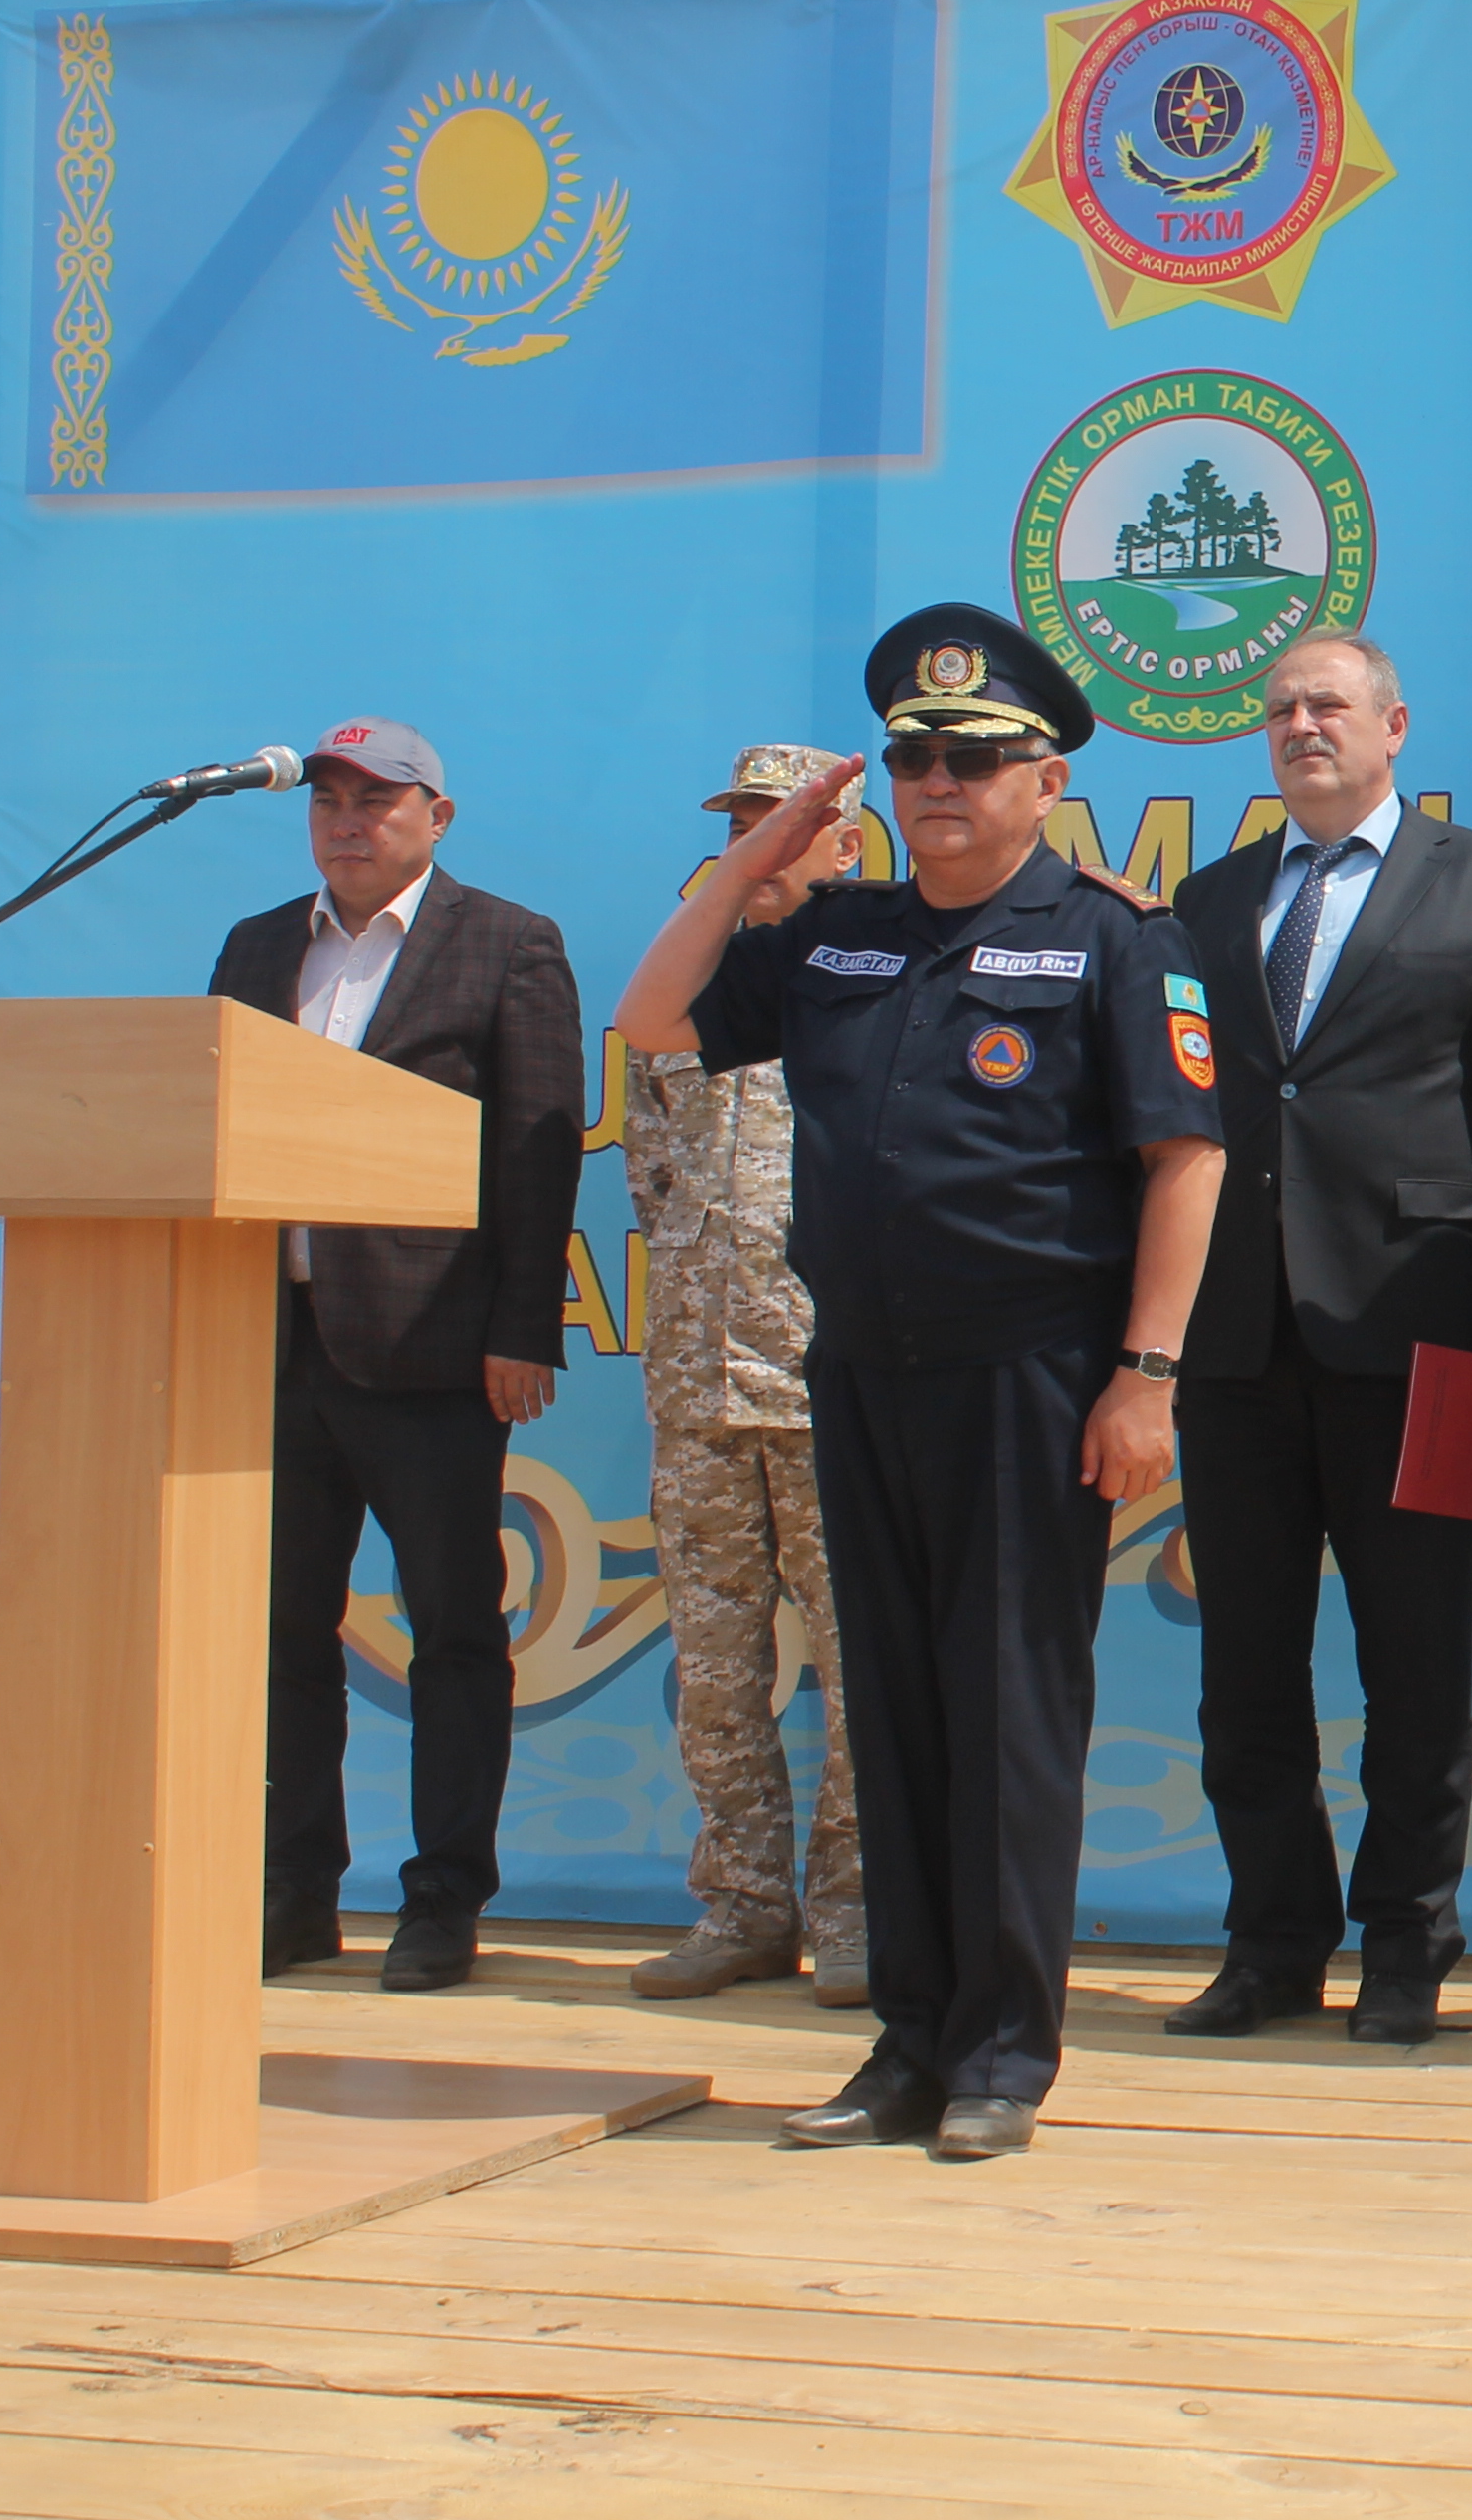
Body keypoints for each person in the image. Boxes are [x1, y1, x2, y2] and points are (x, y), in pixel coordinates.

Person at [613, 607, 1225, 2161]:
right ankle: (906, 2046)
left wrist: (1145, 1372)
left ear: (1047, 776)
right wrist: (768, 859)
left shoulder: (1113, 938)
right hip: (861, 1374)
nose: (937, 780)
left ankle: (1006, 2055)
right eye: (911, 757)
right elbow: (654, 1014)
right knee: (886, 1716)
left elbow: (1187, 1159)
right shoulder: (836, 933)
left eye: (974, 756)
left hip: (1034, 1377)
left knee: (1009, 1717)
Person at [1162, 634, 1472, 2047]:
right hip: (1234, 1345)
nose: (1301, 727)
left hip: (1432, 1339)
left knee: (1417, 1669)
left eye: (1327, 706)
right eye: (1281, 709)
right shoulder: (1211, 900)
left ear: (1394, 726)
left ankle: (1407, 1946)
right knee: (1246, 1673)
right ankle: (1270, 1944)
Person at [211, 717, 584, 1994]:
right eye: (328, 798)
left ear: (439, 815)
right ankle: (293, 1888)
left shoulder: (508, 941)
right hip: (275, 1343)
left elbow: (536, 1151)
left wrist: (522, 1328)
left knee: (453, 1636)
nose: (349, 819)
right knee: (279, 1634)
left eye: (380, 799)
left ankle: (443, 1903)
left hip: (431, 1352)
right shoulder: (262, 946)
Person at [624, 743, 867, 2011]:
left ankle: (859, 1913)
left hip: (830, 1383)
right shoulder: (688, 986)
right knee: (714, 1668)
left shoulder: (875, 973)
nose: (766, 842)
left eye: (792, 823)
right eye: (744, 822)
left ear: (846, 842)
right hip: (696, 1381)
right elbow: (653, 1176)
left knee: (861, 1670)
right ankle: (744, 1906)